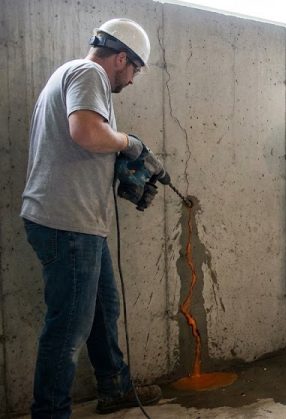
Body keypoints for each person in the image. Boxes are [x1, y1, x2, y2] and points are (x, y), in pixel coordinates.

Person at [20, 18, 164, 417]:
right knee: (68, 329)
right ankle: (50, 412)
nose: (132, 80)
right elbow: (85, 132)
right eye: (135, 70)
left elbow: (83, 141)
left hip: (77, 223)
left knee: (103, 310)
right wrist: (130, 143)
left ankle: (114, 385)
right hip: (67, 223)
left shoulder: (70, 75)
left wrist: (118, 164)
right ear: (121, 58)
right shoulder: (89, 73)